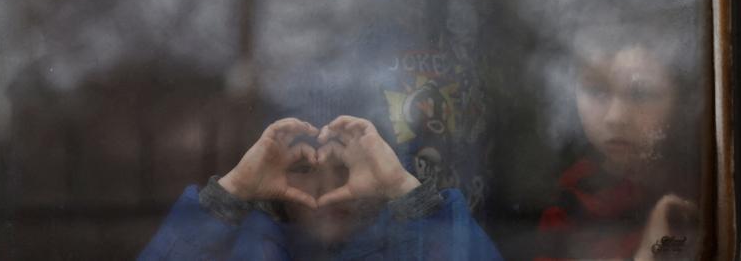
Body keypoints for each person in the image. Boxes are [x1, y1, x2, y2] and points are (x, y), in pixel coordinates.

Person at [139, 115, 502, 260]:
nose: (327, 185)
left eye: (345, 167)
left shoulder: (414, 247)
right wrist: (231, 192)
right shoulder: (240, 251)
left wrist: (406, 191)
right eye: (302, 167)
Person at [535, 22, 701, 261]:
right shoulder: (567, 196)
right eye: (597, 90)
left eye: (641, 93)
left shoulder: (701, 187)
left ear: (680, 102)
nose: (616, 117)